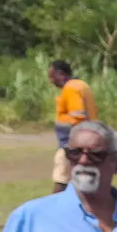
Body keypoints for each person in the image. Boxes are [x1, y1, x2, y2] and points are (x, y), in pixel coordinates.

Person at [48, 60, 97, 191]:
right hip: (87, 141)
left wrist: (72, 146)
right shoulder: (82, 85)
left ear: (61, 74)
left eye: (52, 76)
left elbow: (78, 117)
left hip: (71, 144)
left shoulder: (71, 88)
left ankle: (52, 208)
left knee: (61, 181)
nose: (51, 81)